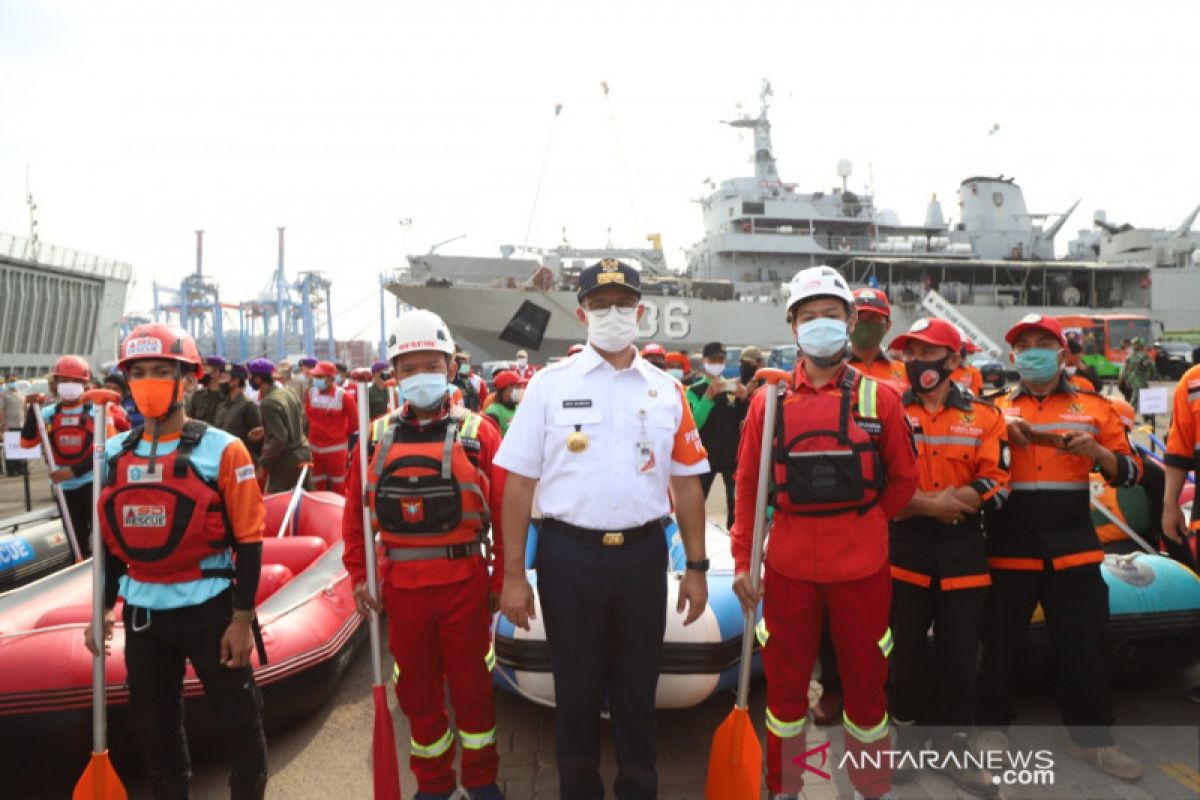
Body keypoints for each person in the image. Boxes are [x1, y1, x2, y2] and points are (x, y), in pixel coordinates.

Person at [497, 258, 710, 800]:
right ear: (582, 312)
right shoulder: (548, 386)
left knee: (639, 689)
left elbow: (686, 486)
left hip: (642, 558)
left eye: (622, 304)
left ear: (640, 311)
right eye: (600, 304)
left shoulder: (667, 391)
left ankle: (639, 790)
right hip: (569, 558)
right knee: (576, 692)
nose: (612, 313)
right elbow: (518, 486)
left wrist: (697, 568)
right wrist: (514, 575)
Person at [730, 266, 918, 800]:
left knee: (865, 690)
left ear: (850, 321)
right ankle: (785, 788)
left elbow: (904, 481)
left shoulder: (880, 399)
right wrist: (746, 563)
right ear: (793, 326)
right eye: (808, 317)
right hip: (787, 570)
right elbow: (747, 490)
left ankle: (868, 789)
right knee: (786, 696)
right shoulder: (768, 404)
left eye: (830, 316)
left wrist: (867, 524)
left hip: (862, 569)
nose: (820, 325)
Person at [85, 322, 268, 799]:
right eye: (139, 371)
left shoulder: (224, 450)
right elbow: (108, 544)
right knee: (157, 731)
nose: (148, 380)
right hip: (144, 614)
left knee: (240, 723)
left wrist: (242, 618)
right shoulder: (114, 454)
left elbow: (249, 538)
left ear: (187, 379)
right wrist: (103, 609)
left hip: (212, 609)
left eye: (161, 371)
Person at [344, 309, 506, 800]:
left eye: (429, 365)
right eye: (408, 368)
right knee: (417, 696)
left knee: (473, 692)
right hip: (402, 590)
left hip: (464, 583)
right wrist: (358, 576)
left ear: (451, 368)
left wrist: (500, 582)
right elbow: (354, 518)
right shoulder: (374, 436)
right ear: (393, 376)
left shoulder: (480, 434)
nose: (418, 377)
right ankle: (434, 785)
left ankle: (480, 783)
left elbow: (502, 512)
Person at [976, 313, 1144, 780]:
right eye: (1023, 343)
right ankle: (991, 730)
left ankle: (1091, 742)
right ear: (1013, 356)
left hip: (1074, 546)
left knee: (1084, 647)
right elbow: (971, 465)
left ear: (1061, 352)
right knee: (998, 644)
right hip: (1009, 545)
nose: (1031, 350)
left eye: (1041, 342)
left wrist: (1098, 454)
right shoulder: (990, 410)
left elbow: (1133, 472)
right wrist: (1000, 440)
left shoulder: (1097, 407)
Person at [887, 318, 1009, 796]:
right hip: (905, 541)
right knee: (905, 651)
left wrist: (953, 502)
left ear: (954, 361)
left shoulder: (984, 415)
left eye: (928, 352)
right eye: (910, 353)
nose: (918, 362)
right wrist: (926, 506)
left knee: (961, 652)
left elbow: (997, 482)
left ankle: (959, 750)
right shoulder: (888, 409)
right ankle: (907, 743)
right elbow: (876, 477)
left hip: (962, 542)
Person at [20, 355, 115, 558]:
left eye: (75, 381)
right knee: (76, 539)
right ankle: (78, 567)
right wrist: (32, 410)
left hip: (94, 482)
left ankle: (106, 579)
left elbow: (109, 448)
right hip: (64, 488)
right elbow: (27, 442)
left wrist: (73, 472)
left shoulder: (98, 411)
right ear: (55, 384)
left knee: (104, 537)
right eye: (64, 381)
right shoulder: (48, 413)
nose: (69, 385)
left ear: (85, 383)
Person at [687, 341, 747, 529]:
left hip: (733, 458)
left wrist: (745, 398)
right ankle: (694, 540)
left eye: (721, 359)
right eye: (713, 359)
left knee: (736, 505)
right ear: (704, 360)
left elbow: (746, 420)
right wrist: (708, 397)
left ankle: (733, 539)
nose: (717, 362)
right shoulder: (694, 391)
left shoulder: (731, 389)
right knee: (695, 504)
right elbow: (694, 423)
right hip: (704, 458)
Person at [247, 358, 312, 493]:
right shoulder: (287, 393)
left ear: (258, 379)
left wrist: (263, 465)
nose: (249, 379)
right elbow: (293, 421)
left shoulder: (269, 402)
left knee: (279, 503)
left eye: (250, 376)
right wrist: (266, 430)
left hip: (287, 461)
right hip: (303, 453)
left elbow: (279, 440)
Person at [303, 360, 357, 494]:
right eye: (315, 377)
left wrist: (340, 436)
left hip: (336, 451)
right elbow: (309, 416)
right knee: (316, 485)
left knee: (338, 486)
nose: (316, 380)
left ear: (330, 378)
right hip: (315, 449)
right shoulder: (310, 394)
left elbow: (354, 422)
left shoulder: (344, 396)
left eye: (319, 377)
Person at [847, 287, 907, 387]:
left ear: (887, 326)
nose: (865, 323)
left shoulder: (904, 373)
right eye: (858, 318)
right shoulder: (829, 372)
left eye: (873, 318)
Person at [213, 362, 263, 462]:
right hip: (222, 458)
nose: (220, 382)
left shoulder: (248, 406)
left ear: (235, 381)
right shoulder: (221, 406)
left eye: (224, 378)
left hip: (242, 459)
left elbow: (259, 439)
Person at [1119, 338, 1156, 418]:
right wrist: (1157, 377)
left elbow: (1125, 371)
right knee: (1139, 399)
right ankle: (1128, 417)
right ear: (1141, 346)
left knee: (1138, 399)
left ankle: (1145, 416)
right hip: (1141, 382)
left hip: (1131, 381)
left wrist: (1126, 381)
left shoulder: (1129, 357)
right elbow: (1152, 367)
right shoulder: (1144, 356)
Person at [186, 355, 226, 424]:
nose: (200, 374)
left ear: (215, 372)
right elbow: (189, 419)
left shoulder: (228, 397)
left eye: (204, 370)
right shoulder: (197, 395)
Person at [482, 370, 523, 437]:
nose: (520, 390)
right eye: (517, 386)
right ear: (505, 389)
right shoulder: (493, 412)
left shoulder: (519, 407)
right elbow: (492, 439)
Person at [1, 377, 27, 476]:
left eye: (14, 381)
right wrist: (4, 424)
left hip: (20, 423)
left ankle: (20, 468)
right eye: (10, 381)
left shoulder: (21, 394)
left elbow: (24, 408)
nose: (13, 383)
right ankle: (12, 470)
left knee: (20, 447)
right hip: (9, 424)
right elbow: (1, 410)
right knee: (11, 448)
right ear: (7, 383)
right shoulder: (3, 395)